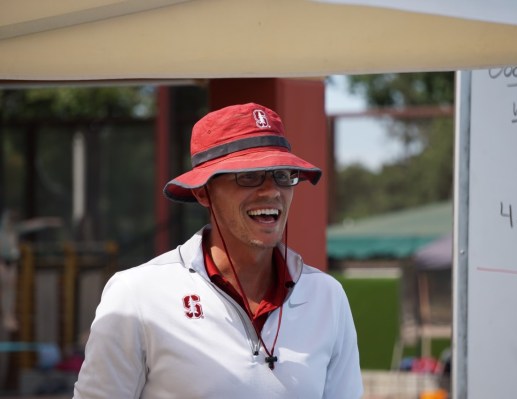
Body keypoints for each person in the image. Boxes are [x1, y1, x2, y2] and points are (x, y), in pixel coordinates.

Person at [73, 103, 363, 398]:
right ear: (203, 191)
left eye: (282, 174)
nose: (272, 191)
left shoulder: (328, 296)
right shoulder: (137, 294)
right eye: (248, 176)